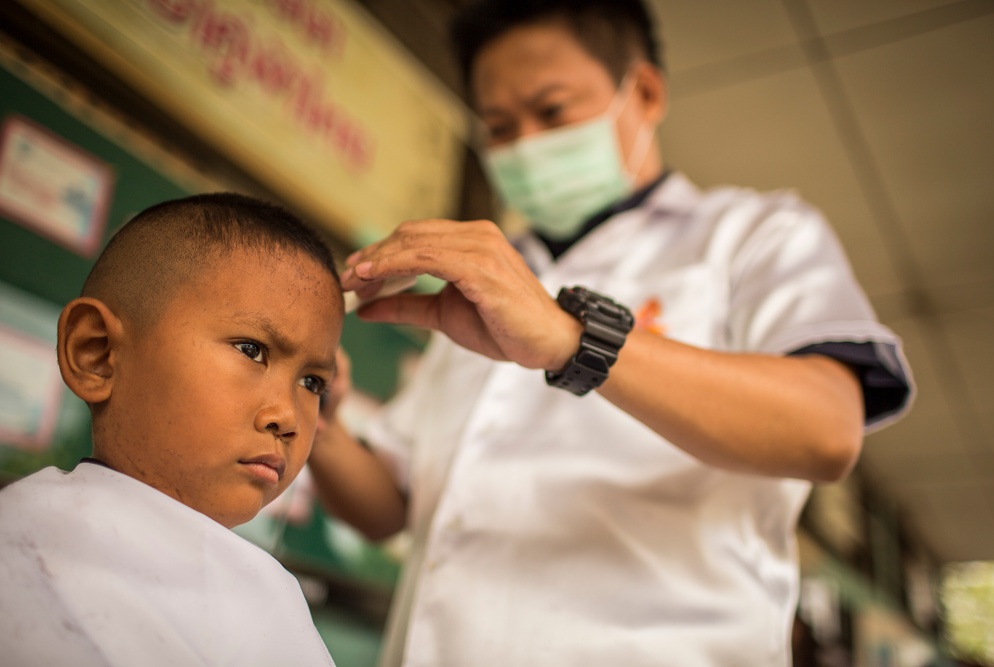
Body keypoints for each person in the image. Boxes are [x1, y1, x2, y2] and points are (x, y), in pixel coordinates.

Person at [308, 1, 915, 665]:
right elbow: (393, 508)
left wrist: (574, 340)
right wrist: (318, 419)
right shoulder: (488, 280)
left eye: (553, 111)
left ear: (645, 93)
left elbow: (826, 428)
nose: (525, 147)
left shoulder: (750, 237)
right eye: (500, 127)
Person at [0, 193, 342, 667]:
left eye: (312, 382)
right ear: (96, 353)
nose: (286, 416)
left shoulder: (264, 594)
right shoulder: (19, 544)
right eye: (251, 349)